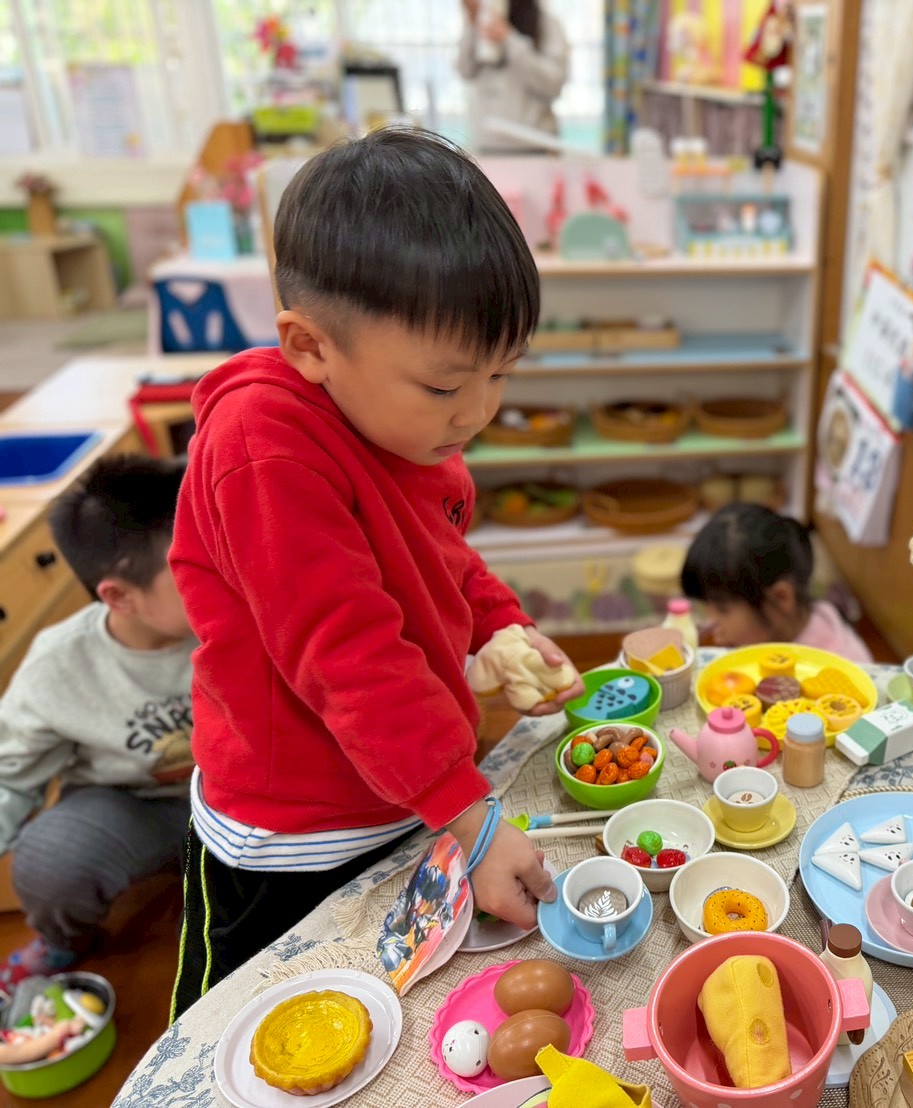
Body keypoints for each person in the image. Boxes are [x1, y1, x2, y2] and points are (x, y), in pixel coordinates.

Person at [169, 129, 580, 1017]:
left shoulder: (394, 421)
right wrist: (470, 816)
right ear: (309, 346)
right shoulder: (261, 447)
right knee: (242, 1028)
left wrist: (498, 622)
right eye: (445, 387)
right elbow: (348, 651)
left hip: (402, 791)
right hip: (289, 836)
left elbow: (441, 553)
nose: (477, 412)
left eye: (501, 375)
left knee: (393, 1012)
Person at [0, 457, 194, 993]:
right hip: (134, 805)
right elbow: (8, 777)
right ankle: (63, 942)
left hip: (243, 797)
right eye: (190, 569)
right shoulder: (59, 664)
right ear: (119, 596)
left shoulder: (247, 610)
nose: (222, 574)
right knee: (51, 860)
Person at [680, 503, 873, 664]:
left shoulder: (838, 665)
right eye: (707, 606)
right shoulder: (773, 629)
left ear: (781, 598)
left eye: (723, 609)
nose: (711, 621)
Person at [458, 0, 570, 154]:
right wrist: (472, 21)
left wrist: (508, 38)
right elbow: (465, 70)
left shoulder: (546, 23)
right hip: (486, 146)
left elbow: (553, 84)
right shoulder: (480, 20)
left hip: (534, 146)